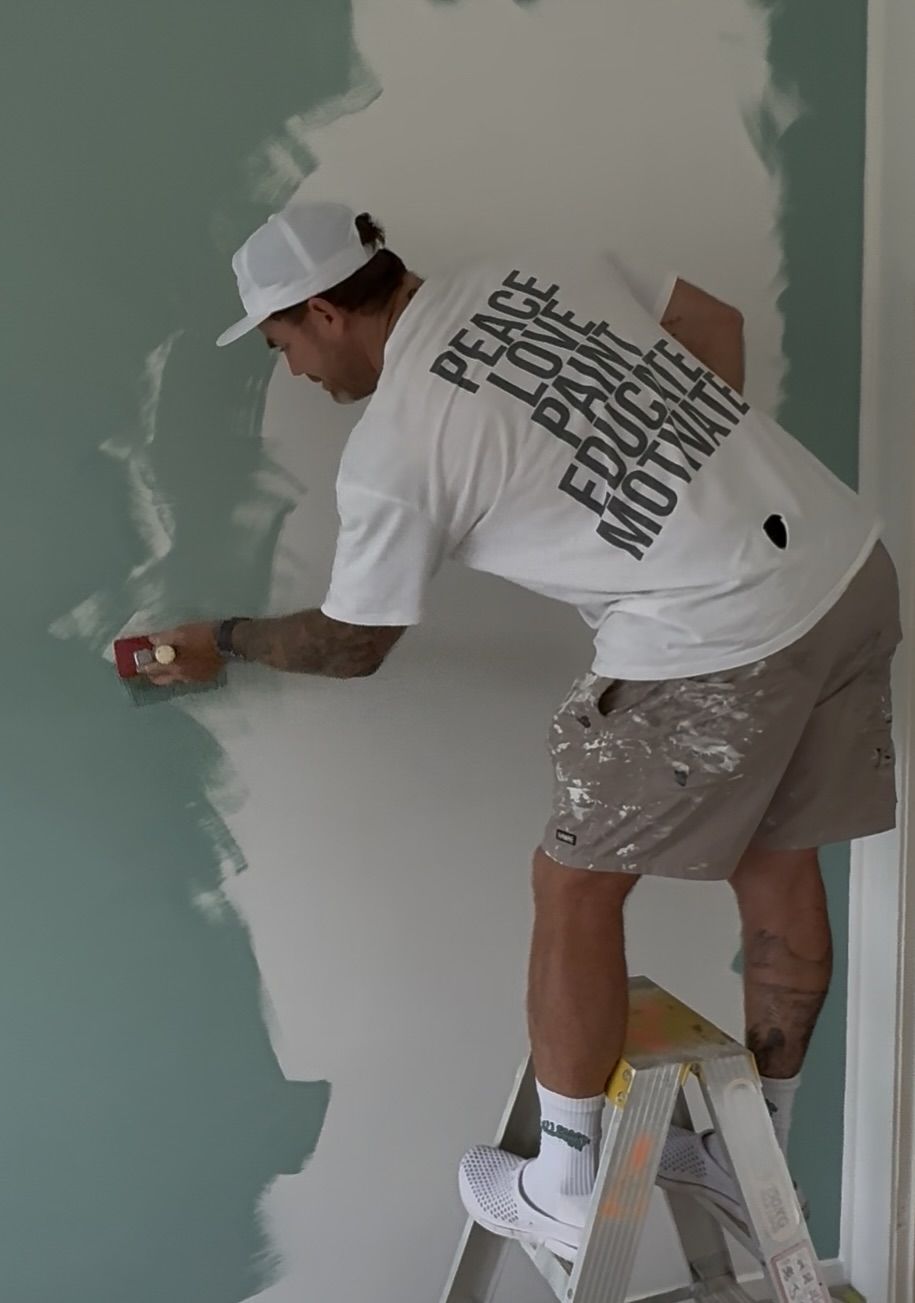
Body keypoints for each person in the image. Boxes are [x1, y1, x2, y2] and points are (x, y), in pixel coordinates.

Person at [144, 200, 901, 1258]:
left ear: (321, 309)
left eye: (282, 346)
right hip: (842, 566)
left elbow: (356, 642)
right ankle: (753, 1147)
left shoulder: (398, 442)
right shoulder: (546, 265)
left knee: (572, 885)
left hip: (717, 634)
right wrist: (689, 498)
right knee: (776, 857)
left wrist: (223, 637)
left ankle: (566, 1180)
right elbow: (714, 322)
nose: (296, 374)